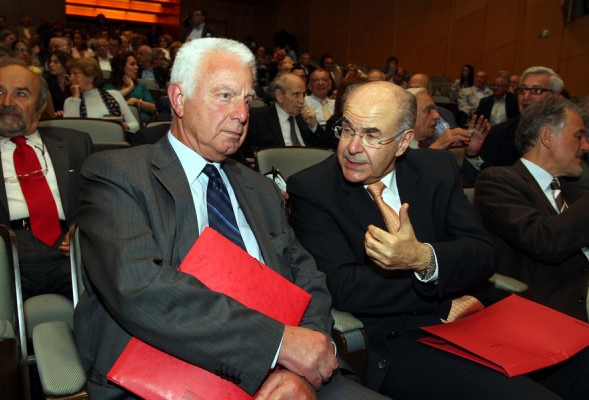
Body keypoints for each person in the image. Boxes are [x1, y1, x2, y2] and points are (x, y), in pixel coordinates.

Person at [73, 37, 388, 400]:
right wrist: (278, 344)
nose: (241, 114)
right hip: (165, 375)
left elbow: (307, 278)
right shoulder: (117, 174)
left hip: (286, 375)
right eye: (224, 95)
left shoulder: (261, 189)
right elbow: (138, 289)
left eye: (247, 100)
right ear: (178, 99)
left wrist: (304, 360)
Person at [287, 80, 589, 399]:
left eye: (372, 135)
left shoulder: (435, 168)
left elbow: (484, 254)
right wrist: (440, 273)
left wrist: (424, 260)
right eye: (347, 129)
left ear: (403, 142)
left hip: (478, 315)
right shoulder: (313, 188)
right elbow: (345, 287)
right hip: (401, 338)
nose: (352, 147)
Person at [475, 97, 589, 322]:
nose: (586, 146)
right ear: (547, 136)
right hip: (547, 309)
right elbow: (546, 241)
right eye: (579, 136)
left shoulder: (573, 193)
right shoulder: (497, 182)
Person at [0, 64, 93, 299]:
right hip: (1, 253)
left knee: (111, 296)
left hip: (67, 249)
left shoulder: (75, 143)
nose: (7, 102)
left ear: (41, 104)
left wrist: (82, 233)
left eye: (21, 94)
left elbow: (100, 201)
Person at [480, 66, 564, 168]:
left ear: (554, 96)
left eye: (537, 90)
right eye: (523, 90)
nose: (526, 96)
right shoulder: (498, 134)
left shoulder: (566, 134)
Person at [243, 72, 330, 156]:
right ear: (279, 95)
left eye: (303, 94)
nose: (302, 101)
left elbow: (327, 149)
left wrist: (314, 126)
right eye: (296, 94)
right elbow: (245, 150)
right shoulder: (257, 117)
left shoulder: (305, 117)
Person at [63, 57, 140, 132]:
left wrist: (122, 127)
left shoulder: (114, 95)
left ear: (90, 76)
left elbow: (135, 124)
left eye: (75, 74)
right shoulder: (71, 101)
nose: (71, 78)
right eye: (70, 74)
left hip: (112, 137)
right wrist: (76, 97)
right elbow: (68, 128)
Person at [104, 51, 156, 123]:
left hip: (142, 122)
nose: (137, 67)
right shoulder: (109, 87)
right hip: (119, 124)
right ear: (121, 67)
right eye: (132, 64)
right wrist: (129, 88)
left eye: (136, 64)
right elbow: (109, 102)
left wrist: (137, 101)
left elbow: (153, 108)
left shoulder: (141, 86)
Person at [44, 50, 71, 115]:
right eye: (50, 62)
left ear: (65, 64)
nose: (51, 64)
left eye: (55, 62)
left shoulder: (73, 82)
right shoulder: (47, 82)